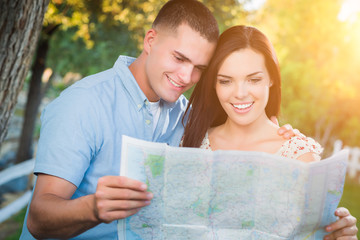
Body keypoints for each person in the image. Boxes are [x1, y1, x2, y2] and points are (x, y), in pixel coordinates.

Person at [20, 0, 356, 239]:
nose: (185, 76)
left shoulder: (186, 120)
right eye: (179, 58)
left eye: (199, 68)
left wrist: (288, 142)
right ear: (150, 40)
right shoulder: (84, 104)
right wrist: (94, 207)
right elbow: (39, 219)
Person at [182, 25, 358, 239]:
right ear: (214, 85)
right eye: (225, 81)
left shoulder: (299, 156)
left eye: (254, 80)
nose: (240, 93)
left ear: (271, 79)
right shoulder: (192, 142)